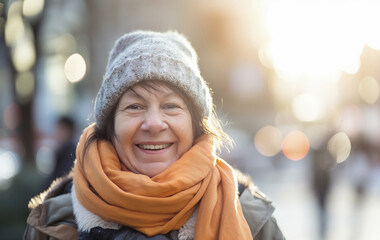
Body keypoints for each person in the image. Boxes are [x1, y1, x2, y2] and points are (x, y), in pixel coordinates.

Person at [24, 30, 285, 240]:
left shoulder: (252, 220)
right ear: (109, 126)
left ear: (196, 126)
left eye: (171, 106)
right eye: (134, 107)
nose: (154, 123)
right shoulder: (52, 222)